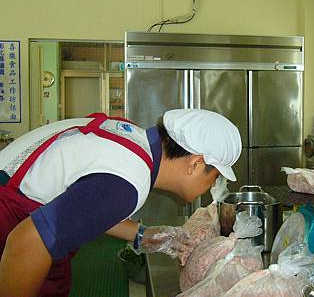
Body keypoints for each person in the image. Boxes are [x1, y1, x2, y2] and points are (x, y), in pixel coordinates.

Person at [0, 108, 242, 297]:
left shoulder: (134, 142)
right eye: (216, 176)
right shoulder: (131, 181)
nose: (214, 184)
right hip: (11, 220)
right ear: (195, 163)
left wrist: (144, 235)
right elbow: (28, 242)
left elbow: (87, 207)